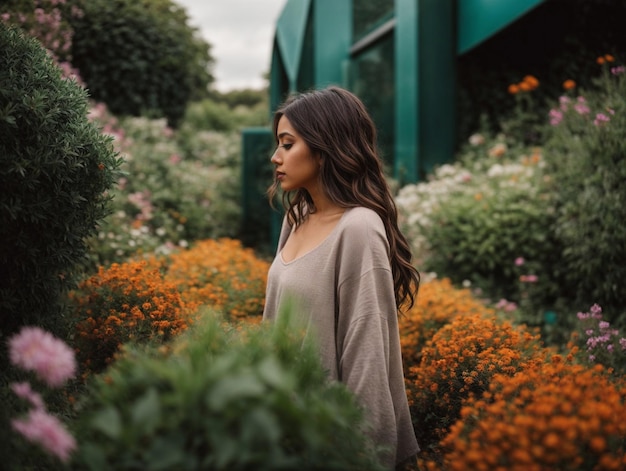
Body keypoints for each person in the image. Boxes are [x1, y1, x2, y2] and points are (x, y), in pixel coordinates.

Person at [262, 85, 420, 470]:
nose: (275, 157)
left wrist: (361, 456)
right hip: (283, 429)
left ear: (324, 145)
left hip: (331, 440)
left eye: (287, 144)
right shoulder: (296, 218)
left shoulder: (359, 228)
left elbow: (367, 359)